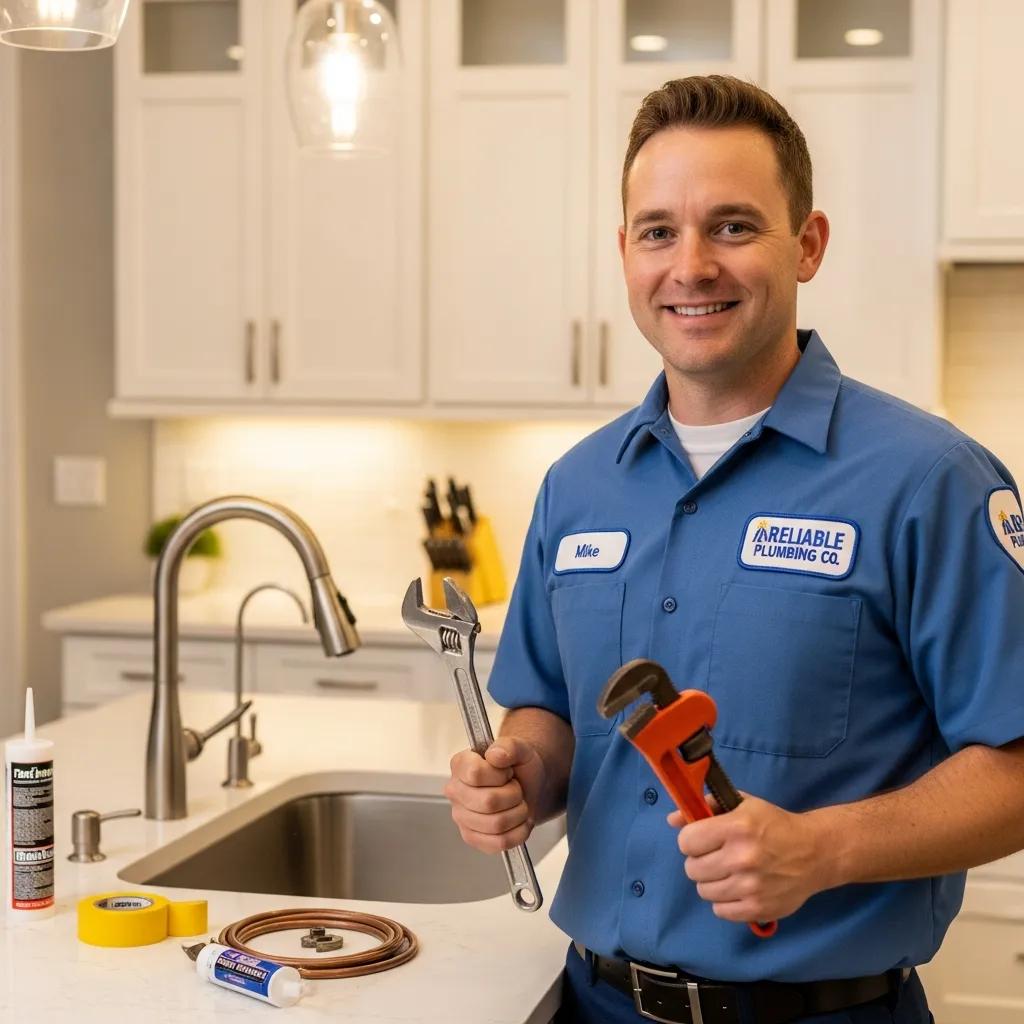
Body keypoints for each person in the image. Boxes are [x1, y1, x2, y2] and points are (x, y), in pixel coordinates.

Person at [442, 75, 1024, 1024]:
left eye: (734, 226)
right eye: (659, 231)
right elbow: (544, 712)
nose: (692, 265)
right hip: (591, 1004)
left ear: (808, 244)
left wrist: (821, 849)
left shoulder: (930, 482)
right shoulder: (577, 487)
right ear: (625, 252)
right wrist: (520, 775)